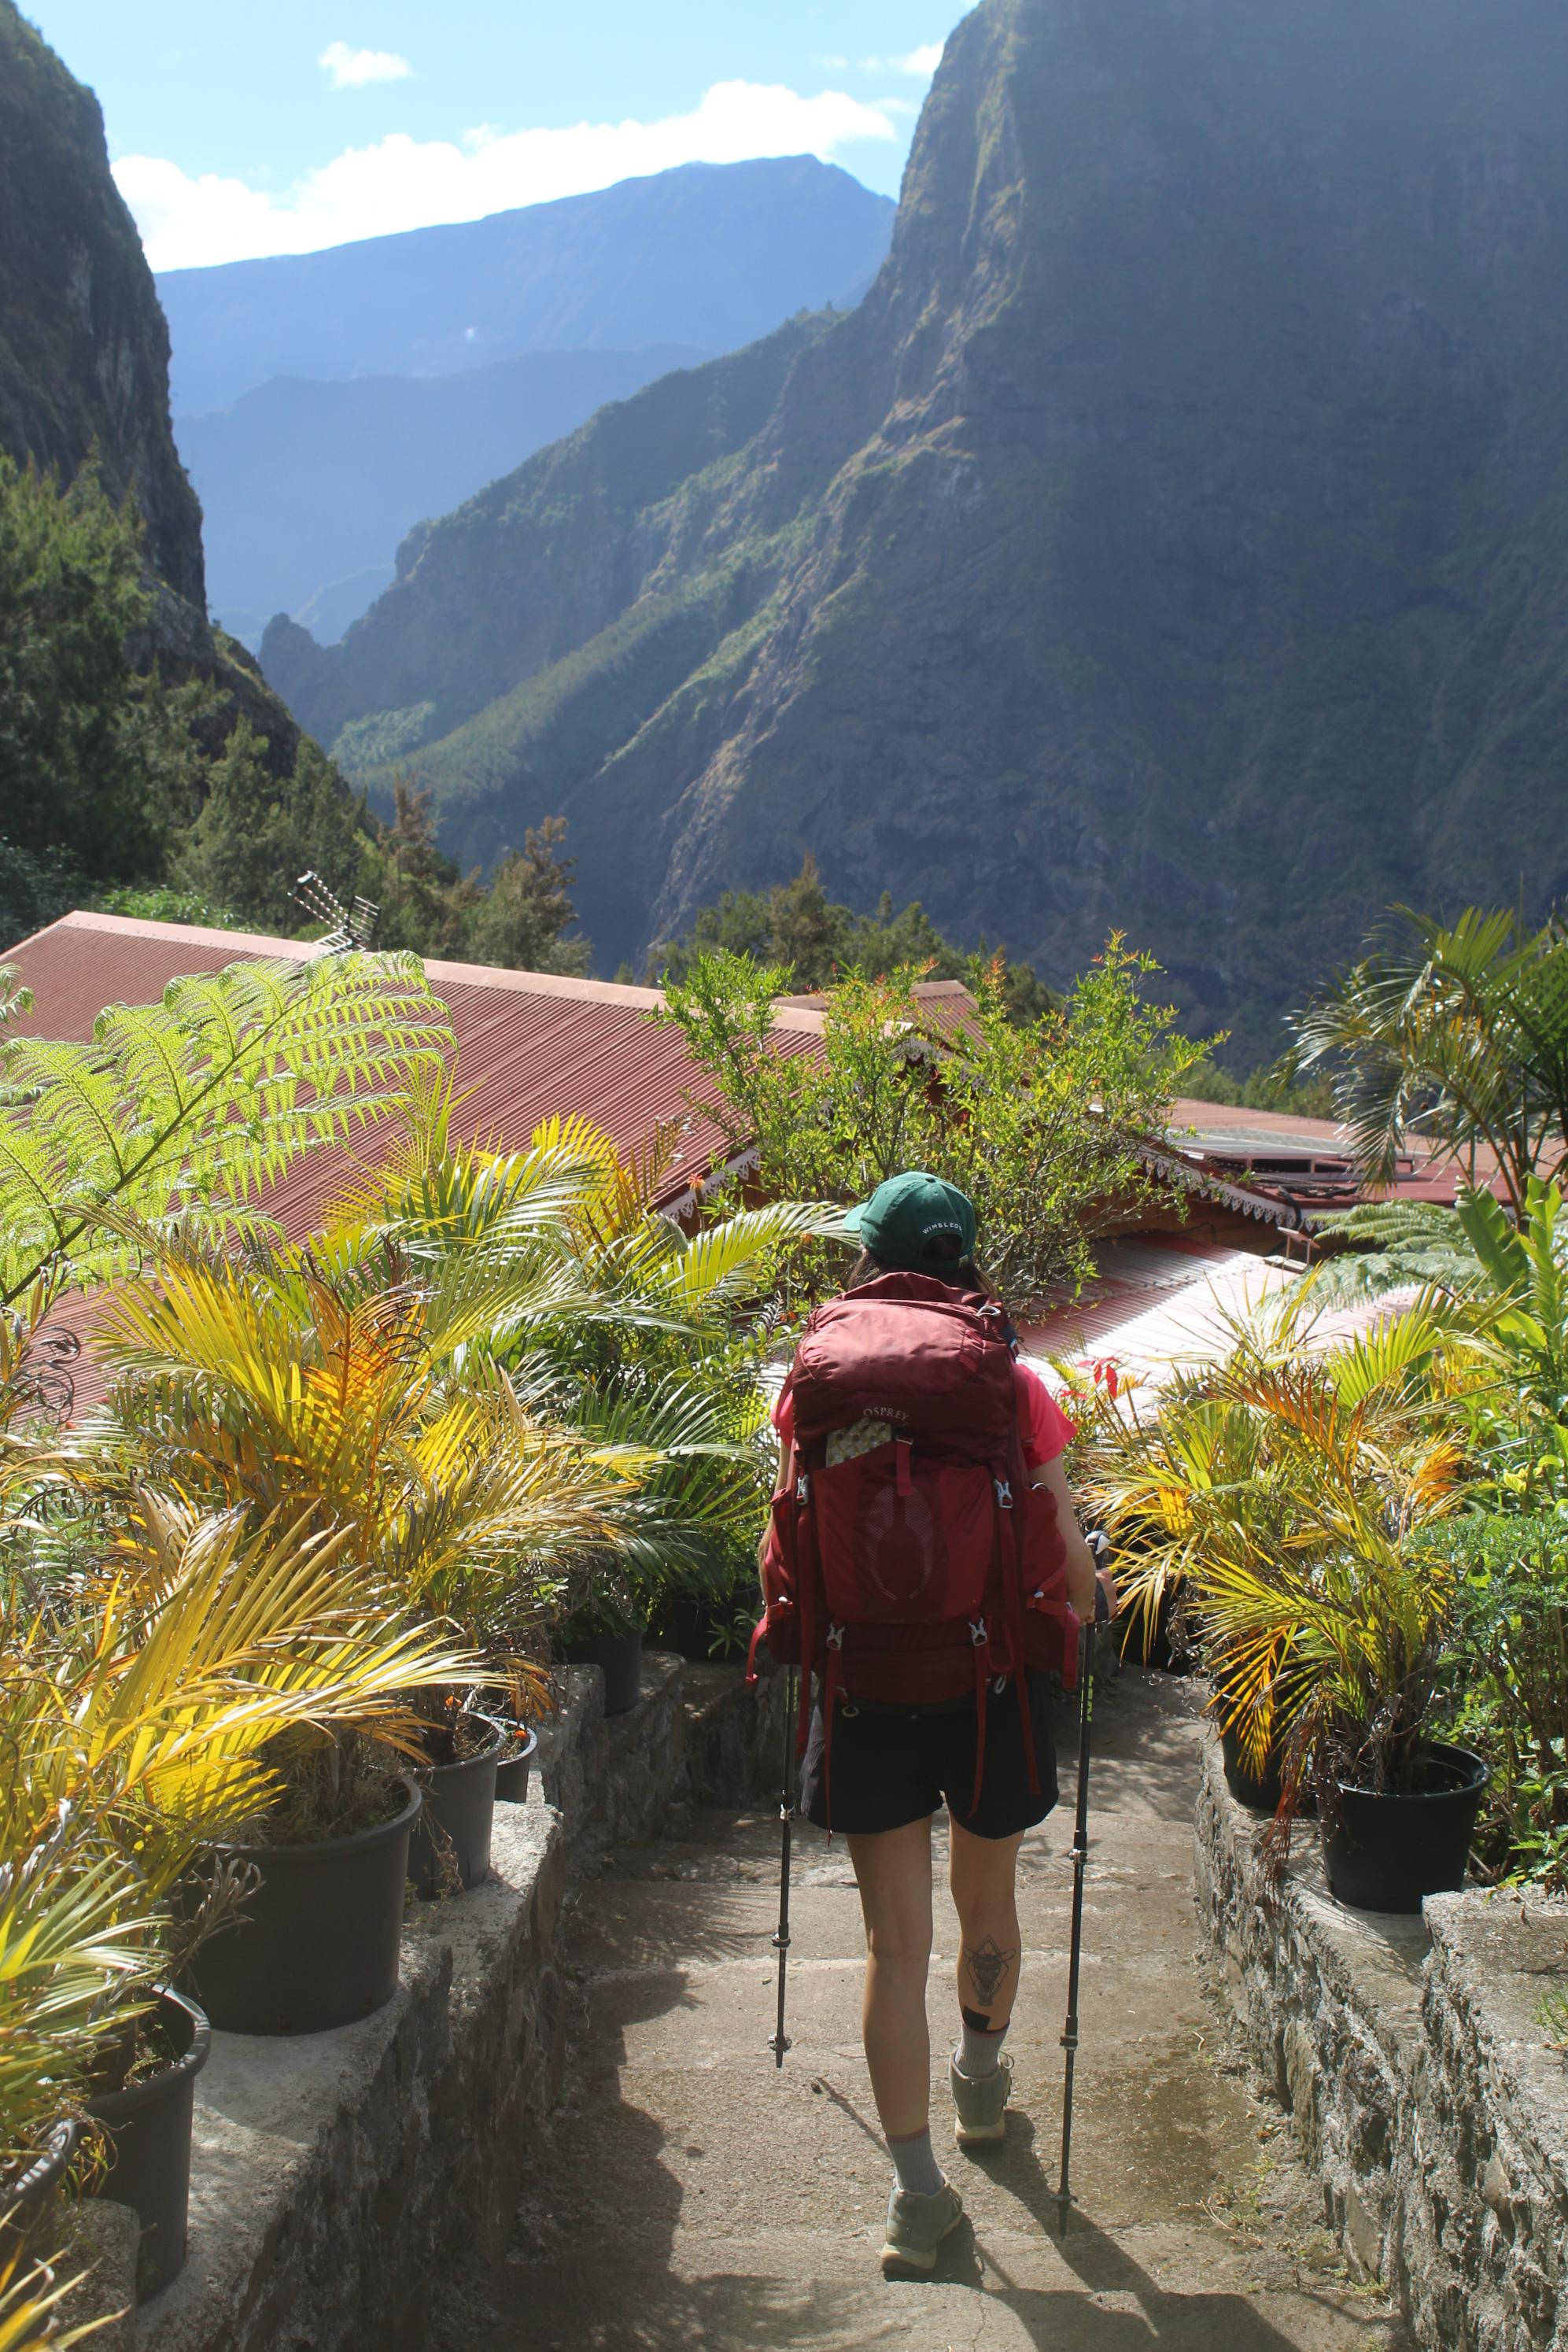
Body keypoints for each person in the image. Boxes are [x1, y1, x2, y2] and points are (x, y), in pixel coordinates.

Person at [768, 1172, 1105, 2277]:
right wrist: (1083, 1607)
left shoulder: (811, 1383)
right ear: (964, 1259)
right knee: (986, 1901)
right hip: (988, 1686)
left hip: (863, 1682)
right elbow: (1065, 1555)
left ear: (871, 1260)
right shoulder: (1009, 1381)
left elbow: (784, 1538)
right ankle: (980, 2082)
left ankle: (917, 2200)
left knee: (889, 1944)